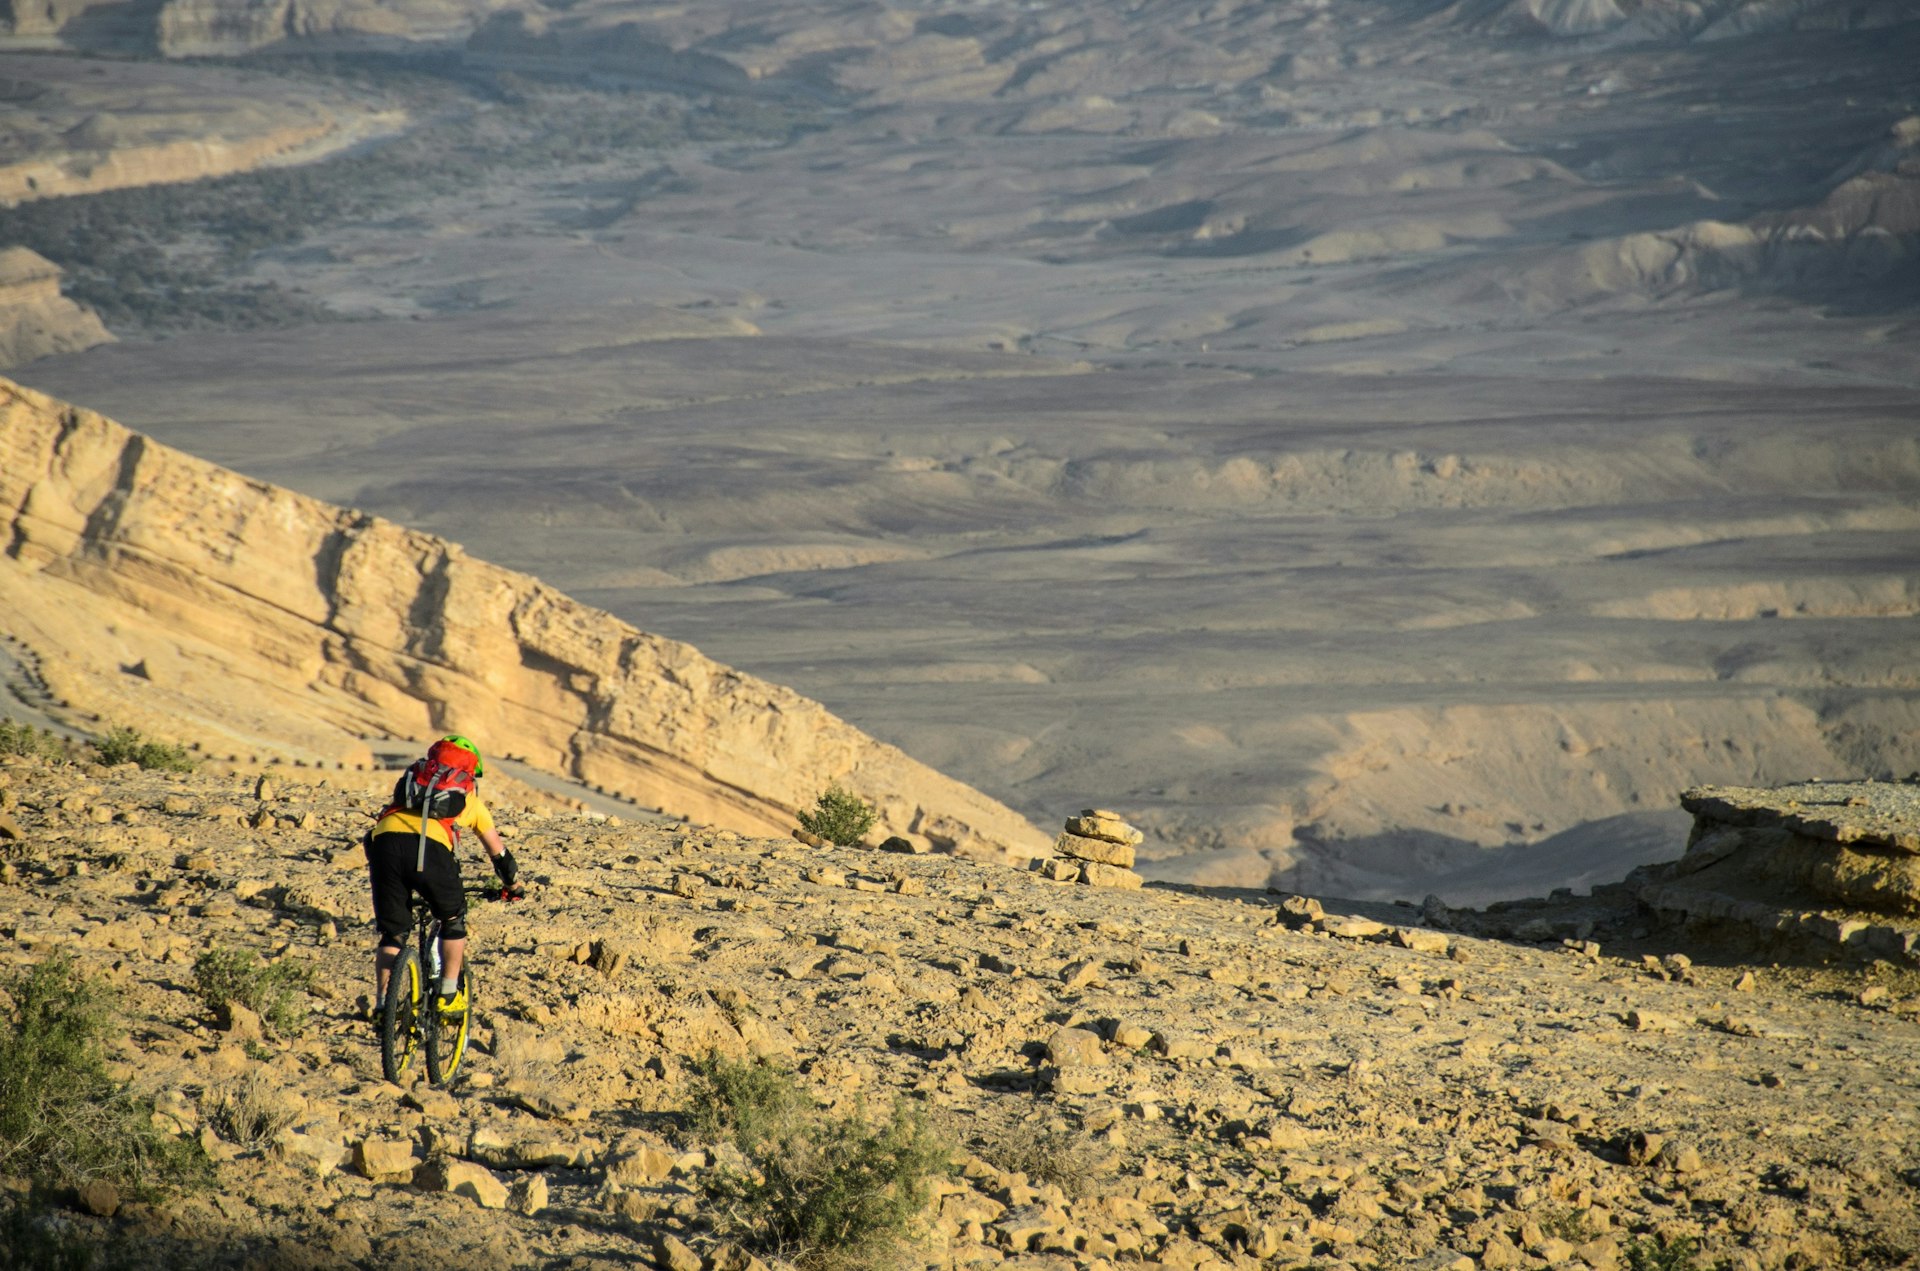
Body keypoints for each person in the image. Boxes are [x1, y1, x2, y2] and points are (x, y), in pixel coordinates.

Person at [364, 734, 520, 1015]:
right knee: (452, 918)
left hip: (384, 843)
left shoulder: (414, 785)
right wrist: (513, 885)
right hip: (430, 851)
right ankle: (448, 995)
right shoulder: (468, 800)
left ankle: (383, 1005)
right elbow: (500, 856)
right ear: (469, 773)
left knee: (394, 933)